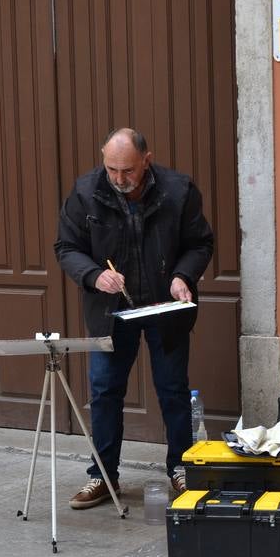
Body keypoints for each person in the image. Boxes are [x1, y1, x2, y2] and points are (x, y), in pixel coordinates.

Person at [54, 128, 215, 509]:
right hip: (111, 311)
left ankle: (180, 468)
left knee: (173, 391)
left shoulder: (178, 190)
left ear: (147, 159)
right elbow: (67, 247)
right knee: (105, 392)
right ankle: (103, 476)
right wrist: (95, 276)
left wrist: (182, 276)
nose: (119, 179)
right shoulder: (85, 191)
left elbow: (200, 243)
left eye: (127, 170)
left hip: (164, 306)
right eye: (111, 169)